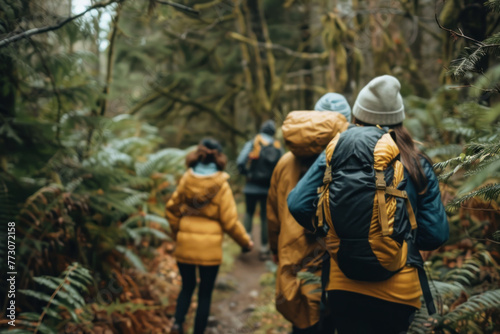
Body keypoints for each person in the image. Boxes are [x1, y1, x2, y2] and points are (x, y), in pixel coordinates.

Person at [288, 75, 449, 334]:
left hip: (342, 284)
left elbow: (297, 204)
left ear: (357, 114)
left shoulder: (336, 152)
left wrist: (330, 230)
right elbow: (436, 235)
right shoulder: (415, 161)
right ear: (399, 117)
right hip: (398, 292)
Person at [267, 93, 351, 333]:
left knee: (304, 323)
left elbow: (273, 215)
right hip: (338, 269)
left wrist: (275, 249)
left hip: (297, 267)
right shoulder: (349, 159)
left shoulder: (284, 163)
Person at [166, 138, 254, 334]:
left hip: (185, 244)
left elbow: (171, 209)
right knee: (205, 295)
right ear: (219, 157)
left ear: (198, 154)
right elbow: (230, 222)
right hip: (209, 250)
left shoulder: (187, 179)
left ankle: (177, 323)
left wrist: (176, 232)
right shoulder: (221, 184)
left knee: (186, 288)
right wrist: (245, 242)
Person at [237, 120, 283, 260]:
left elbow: (240, 161)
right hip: (268, 188)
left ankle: (245, 244)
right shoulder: (277, 146)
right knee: (264, 217)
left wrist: (247, 173)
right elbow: (282, 165)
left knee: (249, 213)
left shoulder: (253, 143)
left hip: (251, 186)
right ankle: (264, 249)